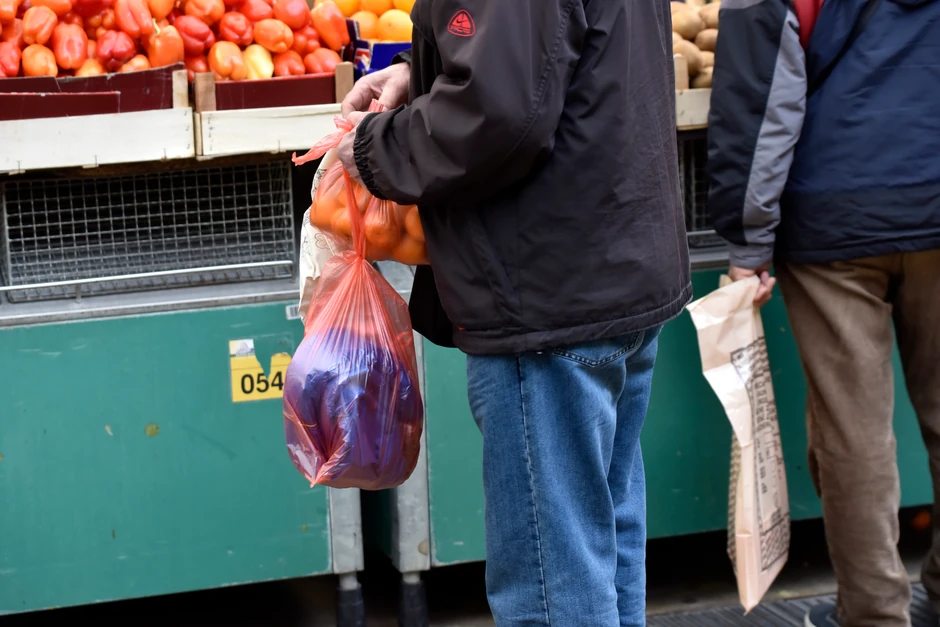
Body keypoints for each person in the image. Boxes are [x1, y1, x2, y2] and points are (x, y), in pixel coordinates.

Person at [334, 0, 691, 623]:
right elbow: (555, 58)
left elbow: (498, 116)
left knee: (554, 584)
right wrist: (423, 77)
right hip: (610, 268)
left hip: (549, 291)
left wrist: (376, 149)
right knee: (600, 544)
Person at [706, 0, 940, 625]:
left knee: (853, 435)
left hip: (834, 220)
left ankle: (874, 613)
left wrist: (747, 243)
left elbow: (760, 101)